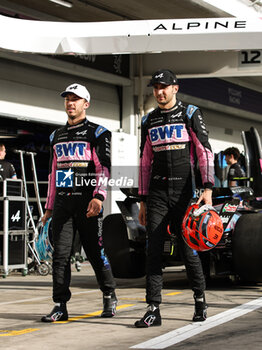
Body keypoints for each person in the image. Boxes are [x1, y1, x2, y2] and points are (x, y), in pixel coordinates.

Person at [135, 69, 214, 328]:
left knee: (188, 249)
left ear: (175, 88)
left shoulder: (190, 113)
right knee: (153, 250)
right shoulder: (148, 120)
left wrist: (207, 188)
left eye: (164, 87)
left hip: (184, 193)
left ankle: (200, 301)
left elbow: (204, 153)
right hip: (156, 193)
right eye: (156, 87)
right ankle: (153, 308)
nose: (159, 91)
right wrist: (143, 200)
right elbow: (145, 163)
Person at [41, 83, 117, 322]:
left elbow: (104, 168)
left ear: (86, 104)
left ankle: (109, 294)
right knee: (60, 256)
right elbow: (54, 175)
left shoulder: (98, 132)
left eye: (75, 99)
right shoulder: (56, 136)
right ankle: (60, 305)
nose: (70, 103)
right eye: (67, 99)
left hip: (88, 204)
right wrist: (49, 208)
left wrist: (99, 196)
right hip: (63, 205)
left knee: (95, 253)